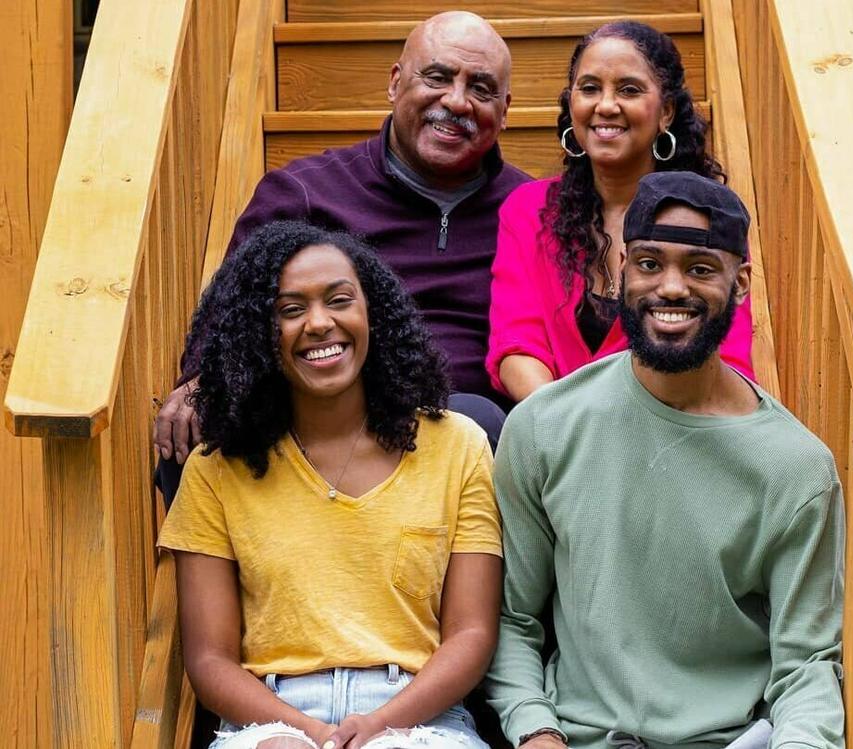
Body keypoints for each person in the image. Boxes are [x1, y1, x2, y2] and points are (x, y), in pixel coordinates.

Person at [486, 172, 845, 749]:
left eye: (700, 268)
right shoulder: (545, 427)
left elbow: (806, 667)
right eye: (650, 263)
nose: (670, 288)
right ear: (623, 266)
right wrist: (535, 731)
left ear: (741, 282)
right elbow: (511, 620)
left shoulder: (795, 468)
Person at [158, 221, 503, 749]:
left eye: (339, 300)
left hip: (420, 715)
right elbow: (209, 660)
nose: (319, 323)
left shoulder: (457, 446)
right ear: (259, 335)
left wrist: (378, 726)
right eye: (290, 310)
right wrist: (309, 733)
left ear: (374, 315)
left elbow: (473, 634)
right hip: (269, 718)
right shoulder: (216, 468)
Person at [154, 11, 531, 480]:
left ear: (506, 109)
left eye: (481, 88)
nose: (456, 101)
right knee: (196, 427)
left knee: (483, 421)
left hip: (466, 435)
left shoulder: (530, 211)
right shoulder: (306, 193)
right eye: (437, 77)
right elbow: (234, 309)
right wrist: (198, 382)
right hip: (321, 410)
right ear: (395, 83)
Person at [486, 21, 753, 402]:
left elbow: (728, 358)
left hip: (674, 434)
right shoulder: (529, 210)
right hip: (552, 432)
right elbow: (518, 345)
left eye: (628, 90)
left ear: (666, 112)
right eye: (590, 88)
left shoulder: (708, 217)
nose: (606, 106)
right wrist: (571, 432)